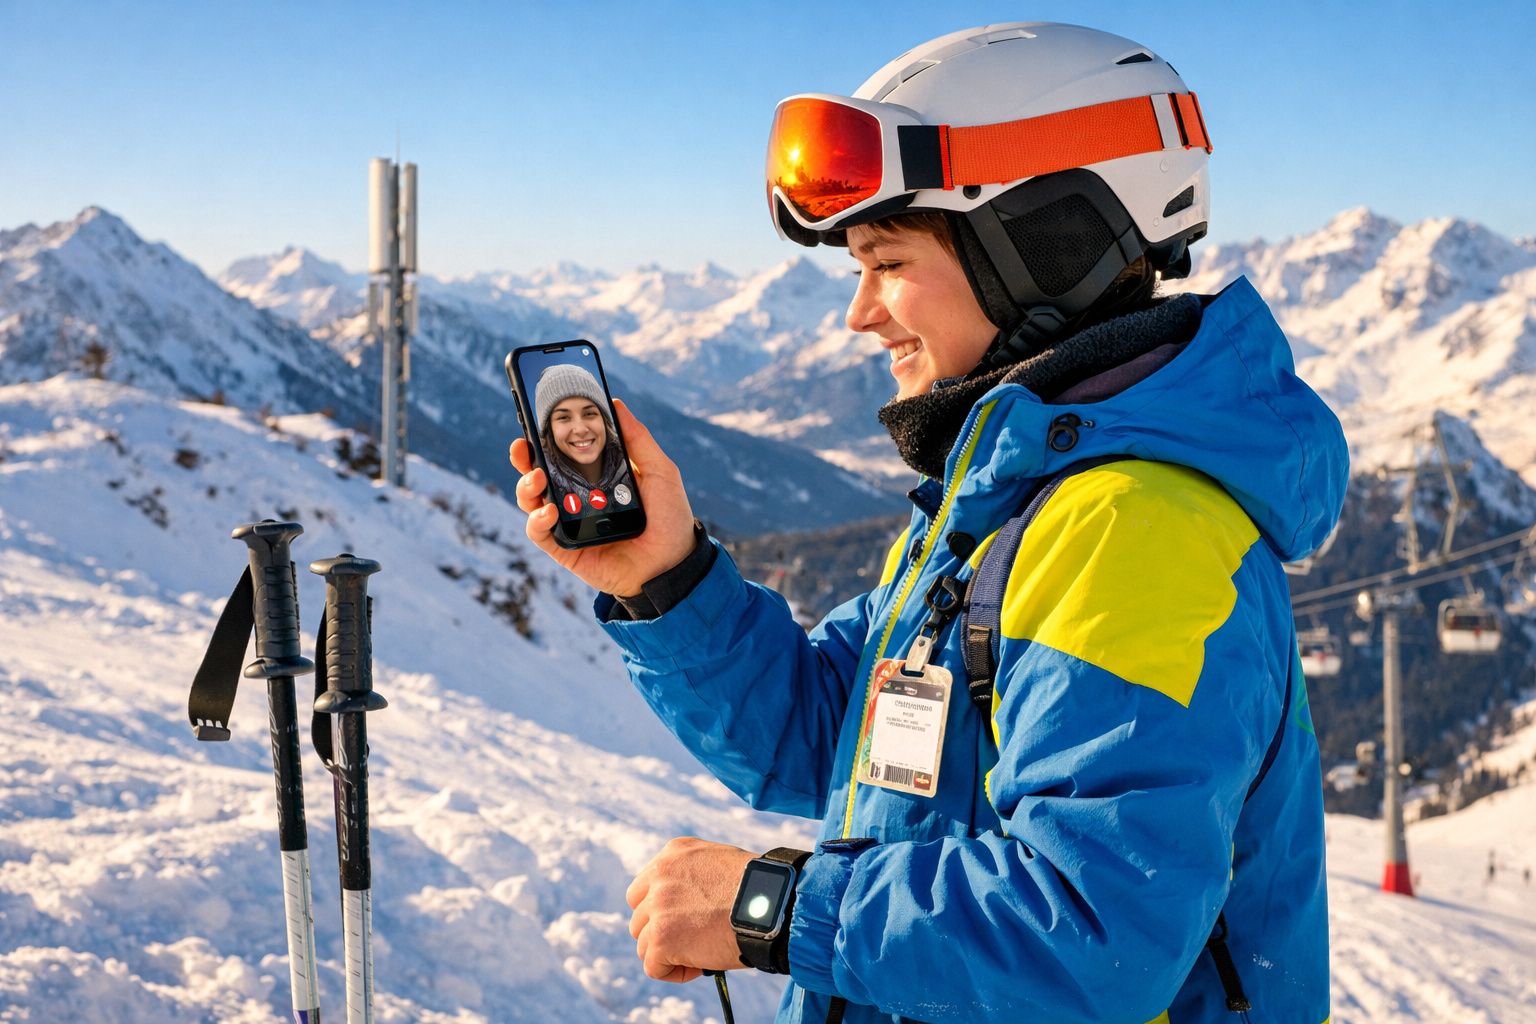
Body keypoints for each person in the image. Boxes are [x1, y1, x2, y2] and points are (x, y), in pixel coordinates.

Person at [509, 21, 1345, 1024]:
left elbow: (1091, 933)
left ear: (1044, 246)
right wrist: (668, 576)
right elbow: (833, 738)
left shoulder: (1133, 531)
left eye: (887, 260)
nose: (859, 313)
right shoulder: (1011, 497)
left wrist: (769, 908)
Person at [534, 363, 634, 507]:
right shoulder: (547, 488)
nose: (580, 429)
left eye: (589, 413)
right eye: (563, 417)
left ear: (605, 420)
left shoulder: (635, 472)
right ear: (549, 430)